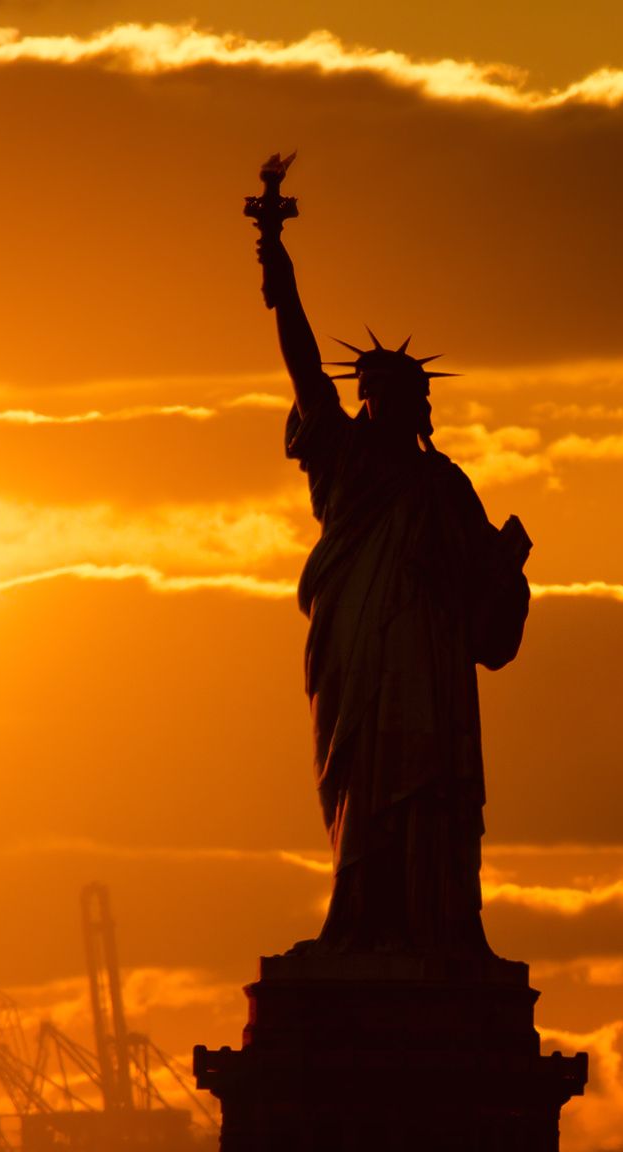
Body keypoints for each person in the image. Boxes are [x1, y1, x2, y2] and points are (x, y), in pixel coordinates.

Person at [256, 224, 531, 958]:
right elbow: (304, 367)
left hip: (427, 659)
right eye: (376, 392)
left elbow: (483, 595)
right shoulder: (342, 455)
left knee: (428, 780)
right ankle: (359, 918)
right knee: (359, 778)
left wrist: (507, 568)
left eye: (404, 394)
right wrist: (280, 276)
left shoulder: (444, 484)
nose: (388, 403)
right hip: (354, 647)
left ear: (421, 406)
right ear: (364, 399)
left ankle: (438, 924)